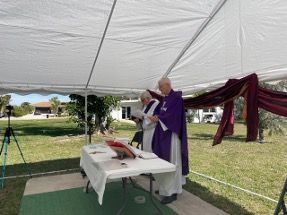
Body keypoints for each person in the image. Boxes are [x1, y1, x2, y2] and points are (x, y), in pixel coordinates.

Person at [149, 77, 189, 204]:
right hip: (163, 134)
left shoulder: (177, 98)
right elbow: (162, 113)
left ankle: (172, 191)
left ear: (167, 85)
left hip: (171, 136)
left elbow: (174, 117)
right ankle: (164, 188)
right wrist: (157, 117)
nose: (160, 91)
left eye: (161, 88)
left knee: (172, 162)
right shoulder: (165, 99)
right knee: (164, 162)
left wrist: (159, 118)